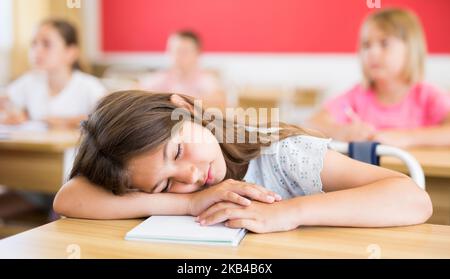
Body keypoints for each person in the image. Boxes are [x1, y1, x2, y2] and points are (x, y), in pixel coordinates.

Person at [53, 90, 432, 233]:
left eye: (178, 152)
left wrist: (291, 213)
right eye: (165, 185)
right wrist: (185, 203)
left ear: (184, 110)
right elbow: (69, 197)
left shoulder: (283, 155)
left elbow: (413, 198)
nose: (190, 177)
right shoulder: (186, 194)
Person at [308, 8, 450, 147]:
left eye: (384, 44)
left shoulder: (427, 96)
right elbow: (313, 123)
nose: (373, 53)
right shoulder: (357, 96)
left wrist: (409, 137)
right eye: (366, 45)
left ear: (410, 49)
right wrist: (342, 131)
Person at [0, 19, 106, 129]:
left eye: (46, 44)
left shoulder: (89, 86)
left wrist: (67, 122)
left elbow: (107, 118)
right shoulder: (30, 81)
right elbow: (6, 102)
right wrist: (11, 114)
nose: (37, 50)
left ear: (71, 52)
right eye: (34, 43)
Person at [139, 30, 226, 111]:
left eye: (184, 51)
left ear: (197, 53)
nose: (177, 56)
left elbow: (220, 102)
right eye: (174, 50)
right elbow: (137, 92)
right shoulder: (162, 77)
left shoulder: (206, 80)